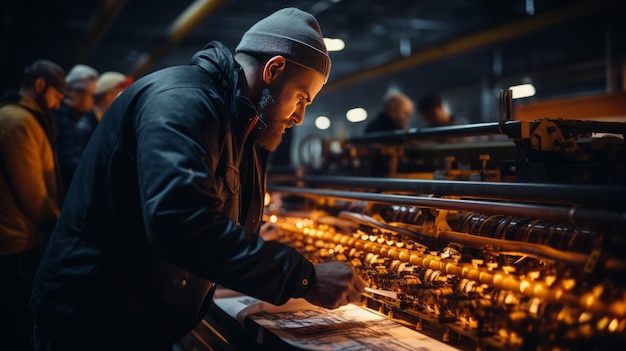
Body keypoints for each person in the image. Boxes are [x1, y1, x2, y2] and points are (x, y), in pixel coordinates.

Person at [31, 7, 365, 351]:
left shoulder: (240, 124)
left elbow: (209, 212)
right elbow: (181, 222)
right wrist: (303, 277)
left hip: (130, 318)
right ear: (274, 68)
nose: (299, 116)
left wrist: (255, 245)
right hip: (91, 324)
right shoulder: (183, 102)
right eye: (301, 98)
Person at [0, 59, 67, 351]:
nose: (56, 105)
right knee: (13, 326)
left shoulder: (20, 118)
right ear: (40, 85)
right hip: (12, 241)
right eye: (57, 95)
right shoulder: (19, 121)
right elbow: (31, 192)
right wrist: (58, 222)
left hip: (14, 237)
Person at [54, 64, 99, 192]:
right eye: (92, 95)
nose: (93, 101)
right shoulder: (62, 117)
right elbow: (70, 163)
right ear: (73, 92)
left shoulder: (74, 117)